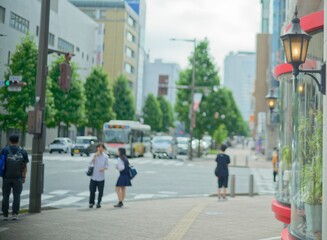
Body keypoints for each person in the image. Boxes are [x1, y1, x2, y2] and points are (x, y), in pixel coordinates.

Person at [1, 135, 29, 220]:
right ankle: (15, 214)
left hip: (6, 177)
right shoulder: (23, 152)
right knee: (17, 196)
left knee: (6, 196)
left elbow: (1, 163)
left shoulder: (5, 151)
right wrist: (23, 177)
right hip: (18, 178)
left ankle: (5, 215)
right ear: (18, 141)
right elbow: (25, 166)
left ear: (9, 141)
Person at [88, 143, 109, 209]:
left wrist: (103, 169)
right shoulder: (93, 155)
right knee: (92, 191)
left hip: (101, 177)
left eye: (101, 147)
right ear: (97, 148)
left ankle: (99, 203)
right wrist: (94, 157)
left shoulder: (106, 156)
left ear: (103, 149)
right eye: (99, 147)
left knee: (100, 191)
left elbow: (107, 166)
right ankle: (91, 203)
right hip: (93, 176)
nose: (100, 149)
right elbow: (90, 163)